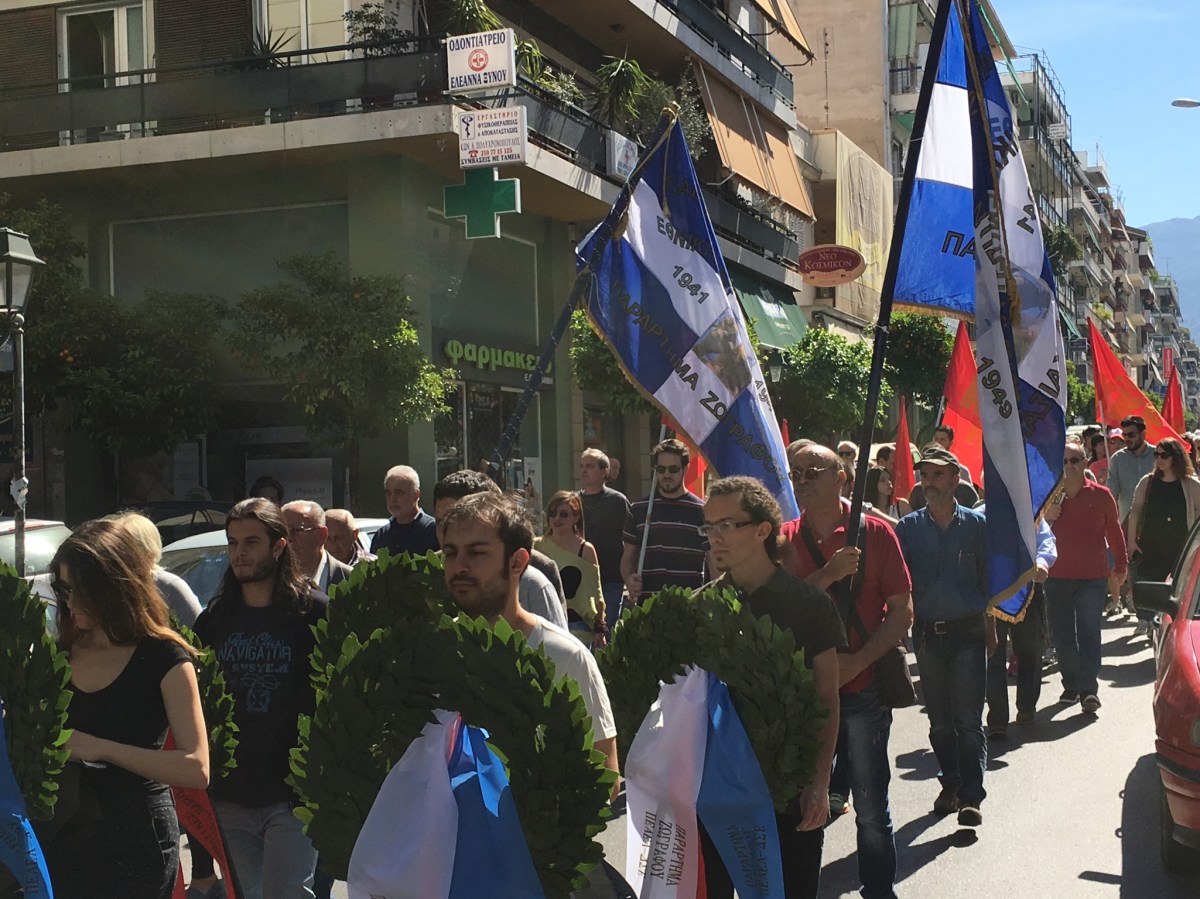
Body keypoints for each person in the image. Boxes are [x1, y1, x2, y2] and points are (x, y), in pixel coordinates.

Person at [45, 519, 209, 899]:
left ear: (115, 585)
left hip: (139, 838)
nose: (70, 602)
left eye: (82, 590)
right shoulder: (61, 655)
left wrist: (100, 748)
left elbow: (196, 767)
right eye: (64, 589)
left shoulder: (165, 657)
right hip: (67, 834)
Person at [700, 476, 844, 899]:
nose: (715, 537)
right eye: (709, 526)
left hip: (789, 792)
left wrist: (819, 783)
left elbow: (827, 697)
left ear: (763, 530)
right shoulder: (701, 607)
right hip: (718, 793)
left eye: (728, 525)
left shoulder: (810, 605)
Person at [780, 444, 912, 899]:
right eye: (795, 473)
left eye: (812, 471)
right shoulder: (782, 540)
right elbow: (779, 611)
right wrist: (829, 575)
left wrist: (857, 662)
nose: (801, 480)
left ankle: (878, 890)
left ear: (842, 478)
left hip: (862, 688)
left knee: (871, 806)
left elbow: (901, 611)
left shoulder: (875, 532)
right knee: (803, 803)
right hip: (801, 694)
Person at [193, 498, 328, 899]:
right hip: (230, 794)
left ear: (279, 546)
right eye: (233, 542)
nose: (240, 552)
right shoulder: (214, 620)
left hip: (292, 795)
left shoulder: (314, 614)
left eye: (251, 542)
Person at [440, 492, 619, 784]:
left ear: (517, 562)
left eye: (476, 553)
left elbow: (606, 778)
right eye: (450, 553)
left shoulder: (565, 658)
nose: (459, 566)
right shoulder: (435, 651)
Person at [894, 445, 993, 827]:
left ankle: (970, 797)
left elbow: (988, 581)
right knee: (939, 722)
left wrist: (991, 629)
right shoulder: (908, 529)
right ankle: (949, 782)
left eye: (937, 475)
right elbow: (899, 585)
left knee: (968, 720)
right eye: (925, 475)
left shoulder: (978, 526)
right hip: (927, 637)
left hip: (968, 632)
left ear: (955, 479)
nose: (929, 482)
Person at [1040, 438, 1127, 715]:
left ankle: (1088, 689)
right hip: (1056, 577)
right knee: (1062, 635)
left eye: (1075, 460)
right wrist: (1047, 517)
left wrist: (1121, 565)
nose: (1069, 466)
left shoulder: (1101, 495)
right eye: (1064, 461)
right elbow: (1031, 531)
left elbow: (1114, 531)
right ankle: (1071, 684)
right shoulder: (1047, 496)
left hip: (1092, 577)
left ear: (1085, 462)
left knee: (1089, 631)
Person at [432, 470, 569, 630]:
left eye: (477, 553)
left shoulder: (535, 578)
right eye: (441, 522)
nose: (447, 531)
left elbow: (553, 636)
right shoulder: (426, 572)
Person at [983, 513, 1056, 735]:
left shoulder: (1031, 514)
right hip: (993, 593)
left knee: (1030, 650)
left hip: (1028, 590)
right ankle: (997, 717)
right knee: (992, 654)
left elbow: (1046, 541)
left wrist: (1042, 563)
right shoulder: (982, 515)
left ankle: (1026, 706)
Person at [619, 438, 708, 605]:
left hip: (690, 604)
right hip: (648, 605)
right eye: (661, 469)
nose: (666, 475)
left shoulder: (702, 511)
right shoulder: (639, 509)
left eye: (673, 469)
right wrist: (629, 579)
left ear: (685, 469)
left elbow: (713, 559)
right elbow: (628, 557)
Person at [1127, 437, 1200, 623]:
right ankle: (1146, 621)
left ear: (1176, 457)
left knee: (1176, 590)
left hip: (1180, 548)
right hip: (1150, 546)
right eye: (1156, 454)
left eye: (1164, 455)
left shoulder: (1191, 485)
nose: (1159, 459)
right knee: (1150, 586)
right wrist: (1131, 542)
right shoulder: (1147, 482)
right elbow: (1135, 512)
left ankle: (1168, 623)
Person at [535, 490, 606, 646]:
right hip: (544, 621)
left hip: (577, 624)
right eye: (552, 513)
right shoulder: (536, 546)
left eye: (564, 514)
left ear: (576, 517)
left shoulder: (586, 549)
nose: (557, 519)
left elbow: (596, 593)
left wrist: (600, 627)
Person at [114, 510, 203, 627]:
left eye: (127, 552)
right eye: (116, 551)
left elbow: (199, 631)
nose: (120, 560)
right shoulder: (111, 589)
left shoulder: (169, 586)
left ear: (149, 555)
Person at [578, 449, 631, 626]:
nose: (584, 471)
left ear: (604, 471)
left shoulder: (617, 501)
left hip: (610, 579)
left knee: (605, 630)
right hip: (579, 580)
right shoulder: (572, 502)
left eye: (590, 466)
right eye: (582, 466)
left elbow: (631, 538)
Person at [281, 500, 354, 594]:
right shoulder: (270, 581)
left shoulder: (350, 579)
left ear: (321, 535)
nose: (289, 538)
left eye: (298, 530)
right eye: (284, 531)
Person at [369, 465, 440, 558]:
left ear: (416, 495)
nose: (392, 499)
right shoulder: (381, 536)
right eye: (388, 493)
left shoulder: (433, 531)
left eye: (398, 493)